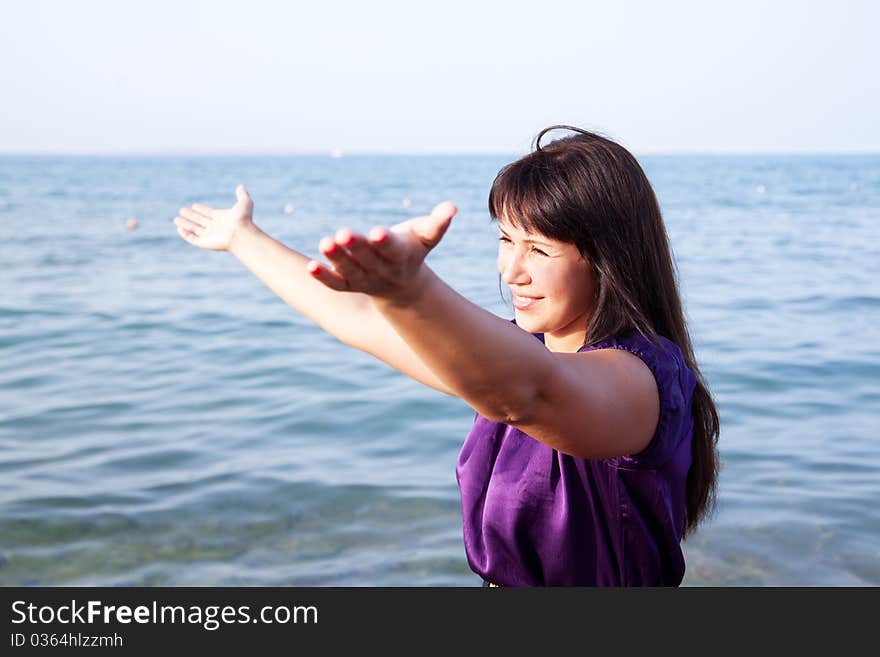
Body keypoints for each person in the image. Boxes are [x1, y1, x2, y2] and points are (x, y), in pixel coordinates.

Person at [173, 125, 720, 586]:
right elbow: (356, 319)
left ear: (607, 260)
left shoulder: (643, 379)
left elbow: (528, 395)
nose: (511, 271)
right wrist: (242, 237)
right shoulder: (513, 353)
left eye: (539, 249)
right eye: (506, 240)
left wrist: (410, 290)